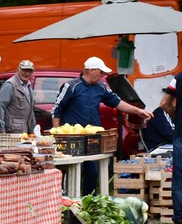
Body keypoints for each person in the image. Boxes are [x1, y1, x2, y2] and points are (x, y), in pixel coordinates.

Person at [51, 56, 152, 195]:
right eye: (101, 72)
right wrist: (57, 132)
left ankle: (88, 199)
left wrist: (138, 111)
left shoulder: (101, 87)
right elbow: (56, 109)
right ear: (91, 70)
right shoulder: (71, 86)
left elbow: (117, 102)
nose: (103, 75)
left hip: (93, 137)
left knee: (93, 170)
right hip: (73, 138)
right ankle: (65, 198)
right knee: (71, 169)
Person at [159, 78, 181, 224]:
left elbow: (164, 103)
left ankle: (179, 217)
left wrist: (177, 118)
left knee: (179, 176)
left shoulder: (179, 77)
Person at [0, 59, 37, 134]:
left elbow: (31, 111)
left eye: (29, 71)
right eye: (24, 70)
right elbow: (0, 107)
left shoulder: (28, 85)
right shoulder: (9, 85)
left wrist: (34, 130)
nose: (27, 73)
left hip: (24, 132)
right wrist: (2, 130)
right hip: (12, 132)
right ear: (18, 70)